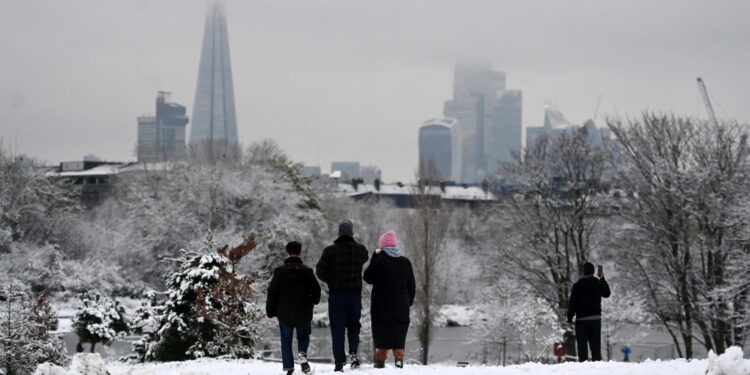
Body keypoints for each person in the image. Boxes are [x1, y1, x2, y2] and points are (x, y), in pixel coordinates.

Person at [315, 220, 369, 372]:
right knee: (354, 326)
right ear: (352, 233)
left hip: (337, 296)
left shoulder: (329, 251)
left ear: (338, 233)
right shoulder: (360, 250)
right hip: (354, 296)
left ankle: (339, 362)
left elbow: (320, 271)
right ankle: (353, 355)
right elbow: (366, 256)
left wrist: (331, 280)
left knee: (337, 329)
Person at [266, 241, 321, 375]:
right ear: (300, 253)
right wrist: (314, 300)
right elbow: (316, 289)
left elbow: (272, 292)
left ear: (286, 252)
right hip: (304, 311)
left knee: (286, 340)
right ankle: (302, 353)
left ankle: (289, 367)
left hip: (284, 312)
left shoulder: (279, 272)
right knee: (303, 336)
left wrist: (270, 310)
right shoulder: (307, 271)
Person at [363, 231, 416, 369]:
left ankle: (380, 360)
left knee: (382, 330)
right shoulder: (405, 262)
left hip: (382, 303)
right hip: (401, 303)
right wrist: (409, 301)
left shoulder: (379, 261)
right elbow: (412, 284)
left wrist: (374, 257)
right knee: (399, 329)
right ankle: (398, 357)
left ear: (383, 247)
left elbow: (367, 277)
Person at [566, 262, 611, 362]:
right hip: (595, 319)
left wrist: (569, 319)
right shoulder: (598, 283)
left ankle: (583, 369)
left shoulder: (577, 285)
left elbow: (572, 303)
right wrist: (602, 279)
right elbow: (607, 294)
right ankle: (597, 369)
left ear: (583, 272)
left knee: (582, 347)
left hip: (581, 320)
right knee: (595, 347)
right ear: (593, 271)